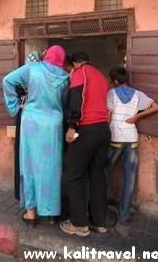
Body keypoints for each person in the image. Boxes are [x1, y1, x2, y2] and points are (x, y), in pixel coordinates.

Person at [3, 45, 69, 226]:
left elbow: (8, 81)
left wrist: (14, 106)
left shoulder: (33, 68)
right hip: (53, 124)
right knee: (52, 167)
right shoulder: (65, 77)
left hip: (31, 123)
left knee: (30, 166)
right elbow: (64, 103)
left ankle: (31, 213)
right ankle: (51, 213)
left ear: (47, 55)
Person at [60, 52, 110, 237]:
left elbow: (76, 100)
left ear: (75, 64)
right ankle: (99, 223)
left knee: (74, 176)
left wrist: (72, 127)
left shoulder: (81, 73)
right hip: (103, 130)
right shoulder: (101, 75)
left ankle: (79, 224)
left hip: (86, 129)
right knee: (97, 175)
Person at [107, 67, 158, 226]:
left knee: (103, 172)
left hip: (115, 138)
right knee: (130, 177)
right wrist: (136, 116)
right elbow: (156, 107)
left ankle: (101, 208)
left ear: (115, 81)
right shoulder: (138, 94)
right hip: (131, 138)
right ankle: (123, 216)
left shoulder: (111, 93)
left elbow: (108, 117)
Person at [14, 51, 42, 201]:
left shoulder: (20, 79)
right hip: (42, 123)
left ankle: (27, 198)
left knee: (25, 160)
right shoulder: (44, 79)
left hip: (25, 120)